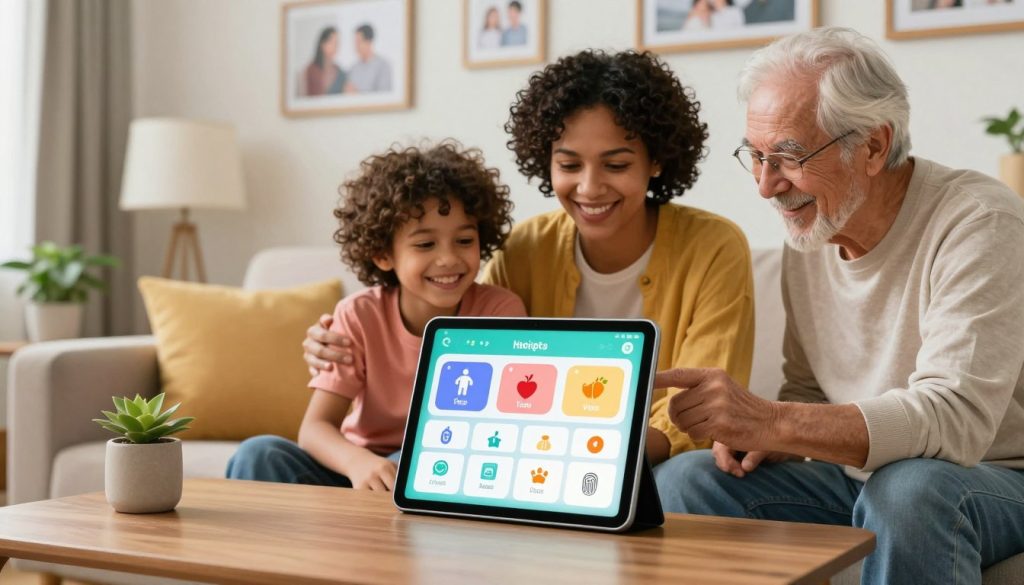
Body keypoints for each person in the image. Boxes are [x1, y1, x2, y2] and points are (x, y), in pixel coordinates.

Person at [653, 27, 1024, 584]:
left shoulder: (979, 222)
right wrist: (767, 438)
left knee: (909, 490)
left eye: (788, 157)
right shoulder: (812, 233)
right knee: (686, 479)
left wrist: (773, 420)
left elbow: (955, 420)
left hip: (991, 478)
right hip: (858, 479)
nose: (765, 186)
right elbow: (809, 391)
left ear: (873, 146)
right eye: (756, 156)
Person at [304, 49, 755, 468]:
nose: (590, 187)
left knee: (691, 474)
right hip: (535, 460)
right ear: (546, 161)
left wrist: (590, 455)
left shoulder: (714, 247)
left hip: (642, 460)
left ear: (655, 161)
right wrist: (333, 339)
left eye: (616, 165)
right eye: (569, 165)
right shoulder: (524, 249)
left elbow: (703, 404)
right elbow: (463, 328)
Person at [226, 142, 527, 490]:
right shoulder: (359, 314)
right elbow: (315, 428)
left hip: (440, 465)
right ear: (383, 254)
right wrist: (358, 463)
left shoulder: (498, 312)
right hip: (358, 469)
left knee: (413, 458)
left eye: (464, 240)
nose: (448, 259)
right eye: (425, 244)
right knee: (258, 454)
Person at [347, 24, 392, 93]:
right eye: (355, 42)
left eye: (358, 42)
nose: (355, 46)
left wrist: (358, 93)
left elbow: (384, 94)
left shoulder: (383, 66)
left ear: (369, 42)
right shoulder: (353, 69)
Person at [301, 26, 345, 96]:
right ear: (322, 44)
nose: (335, 46)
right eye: (332, 42)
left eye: (337, 42)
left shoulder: (339, 71)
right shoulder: (311, 70)